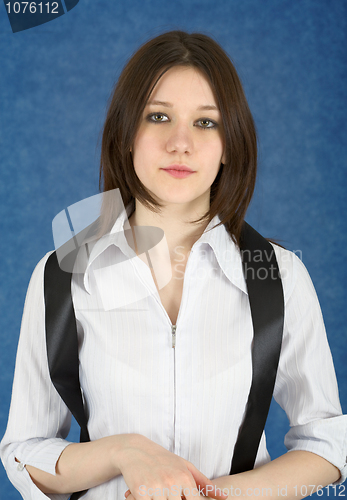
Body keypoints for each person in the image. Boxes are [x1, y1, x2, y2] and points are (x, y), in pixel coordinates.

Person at [1, 30, 346, 500]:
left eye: (206, 123)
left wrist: (221, 496)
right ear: (126, 136)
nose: (180, 143)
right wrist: (124, 452)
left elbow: (327, 442)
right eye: (158, 117)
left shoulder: (281, 278)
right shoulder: (63, 274)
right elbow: (24, 451)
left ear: (230, 144)